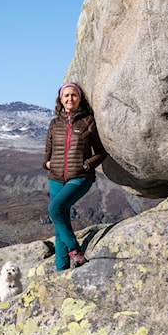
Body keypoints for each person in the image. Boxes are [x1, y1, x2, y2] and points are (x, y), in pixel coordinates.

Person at [44, 82, 106, 270]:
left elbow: (101, 152)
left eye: (74, 95)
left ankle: (74, 250)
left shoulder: (88, 121)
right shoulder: (55, 123)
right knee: (59, 224)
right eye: (66, 96)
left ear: (80, 98)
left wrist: (87, 165)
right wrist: (47, 163)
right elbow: (48, 152)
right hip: (55, 178)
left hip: (80, 177)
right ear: (60, 99)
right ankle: (61, 269)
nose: (70, 99)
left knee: (55, 209)